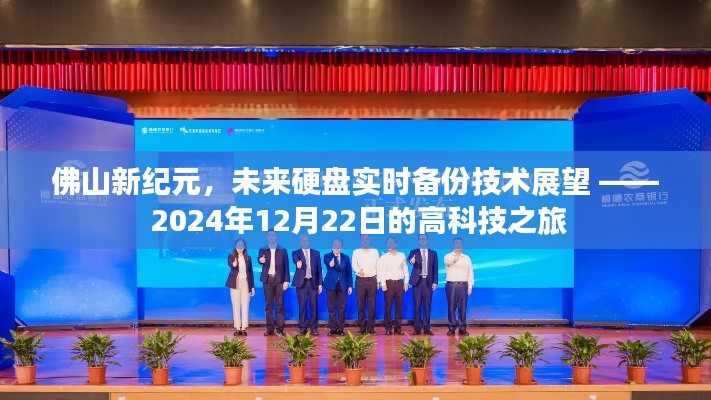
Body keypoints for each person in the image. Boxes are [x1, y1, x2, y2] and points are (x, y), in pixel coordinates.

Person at [258, 229, 290, 336]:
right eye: (269, 235)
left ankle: (280, 329)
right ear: (267, 237)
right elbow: (259, 259)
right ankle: (270, 329)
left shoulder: (282, 250)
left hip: (279, 280)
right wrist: (260, 260)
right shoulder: (263, 249)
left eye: (273, 235)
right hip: (267, 280)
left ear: (276, 237)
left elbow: (286, 267)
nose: (271, 237)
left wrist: (286, 281)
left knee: (280, 305)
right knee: (269, 306)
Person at [292, 234, 322, 336]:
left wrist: (320, 284)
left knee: (314, 306)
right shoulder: (296, 253)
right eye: (303, 240)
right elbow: (295, 258)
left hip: (313, 282)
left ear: (309, 242)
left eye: (306, 240)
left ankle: (314, 328)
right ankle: (303, 327)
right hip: (302, 283)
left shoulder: (316, 253)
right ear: (300, 242)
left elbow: (319, 270)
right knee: (302, 306)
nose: (305, 242)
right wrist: (297, 263)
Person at [377, 237, 409, 335]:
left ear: (396, 244)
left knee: (399, 307)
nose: (389, 245)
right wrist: (383, 283)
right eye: (388, 243)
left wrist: (406, 282)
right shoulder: (384, 257)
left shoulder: (402, 255)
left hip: (399, 283)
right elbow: (381, 271)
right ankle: (388, 328)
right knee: (388, 306)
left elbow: (405, 269)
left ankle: (398, 328)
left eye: (391, 243)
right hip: (389, 284)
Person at [408, 233, 437, 335]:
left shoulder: (433, 253)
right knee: (417, 306)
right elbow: (410, 260)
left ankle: (427, 328)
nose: (423, 240)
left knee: (427, 306)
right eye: (421, 239)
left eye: (424, 239)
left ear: (427, 240)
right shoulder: (414, 252)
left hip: (428, 282)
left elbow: (435, 269)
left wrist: (435, 282)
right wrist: (411, 261)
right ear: (418, 241)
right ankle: (417, 329)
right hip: (417, 282)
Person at [444, 237, 474, 336]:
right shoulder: (448, 256)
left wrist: (470, 286)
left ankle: (462, 328)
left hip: (463, 285)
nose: (458, 244)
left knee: (463, 308)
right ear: (453, 245)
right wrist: (456, 256)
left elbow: (470, 272)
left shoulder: (467, 258)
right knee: (451, 307)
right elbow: (448, 263)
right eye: (456, 243)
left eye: (460, 243)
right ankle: (452, 327)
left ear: (463, 245)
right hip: (451, 285)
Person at [323, 238, 353, 336]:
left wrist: (350, 286)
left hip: (343, 286)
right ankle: (332, 328)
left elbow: (349, 273)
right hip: (331, 285)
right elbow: (328, 263)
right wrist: (331, 264)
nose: (336, 247)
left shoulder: (346, 258)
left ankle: (340, 329)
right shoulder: (327, 256)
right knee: (331, 308)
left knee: (342, 308)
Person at [226, 238, 255, 336]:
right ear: (235, 246)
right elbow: (230, 264)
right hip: (235, 283)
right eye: (238, 245)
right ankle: (237, 328)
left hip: (246, 283)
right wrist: (233, 264)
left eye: (242, 245)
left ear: (244, 247)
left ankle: (243, 328)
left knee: (245, 305)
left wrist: (252, 287)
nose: (240, 247)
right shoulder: (231, 256)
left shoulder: (248, 258)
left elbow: (250, 273)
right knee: (236, 305)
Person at [352, 234, 379, 334]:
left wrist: (378, 281)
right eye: (363, 239)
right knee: (361, 305)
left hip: (372, 281)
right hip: (360, 281)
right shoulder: (356, 252)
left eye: (367, 239)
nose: (365, 241)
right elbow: (354, 264)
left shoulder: (375, 251)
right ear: (360, 241)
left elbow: (378, 266)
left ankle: (371, 329)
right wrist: (359, 270)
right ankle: (362, 329)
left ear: (370, 240)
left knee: (372, 306)